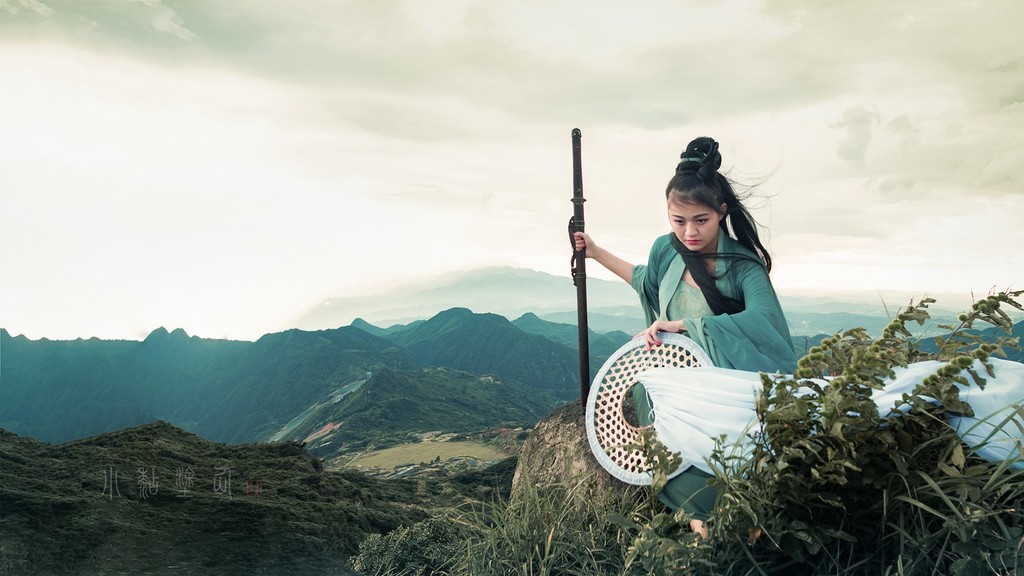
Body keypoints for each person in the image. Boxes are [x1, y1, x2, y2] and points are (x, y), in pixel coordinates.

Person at [574, 136, 797, 537]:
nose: (689, 232)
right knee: (681, 468)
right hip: (668, 382)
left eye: (701, 220)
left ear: (721, 212)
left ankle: (723, 528)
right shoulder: (666, 249)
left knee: (725, 468)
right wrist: (594, 251)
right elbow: (645, 282)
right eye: (679, 221)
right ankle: (705, 529)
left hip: (721, 387)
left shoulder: (743, 267)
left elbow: (765, 320)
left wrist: (689, 326)